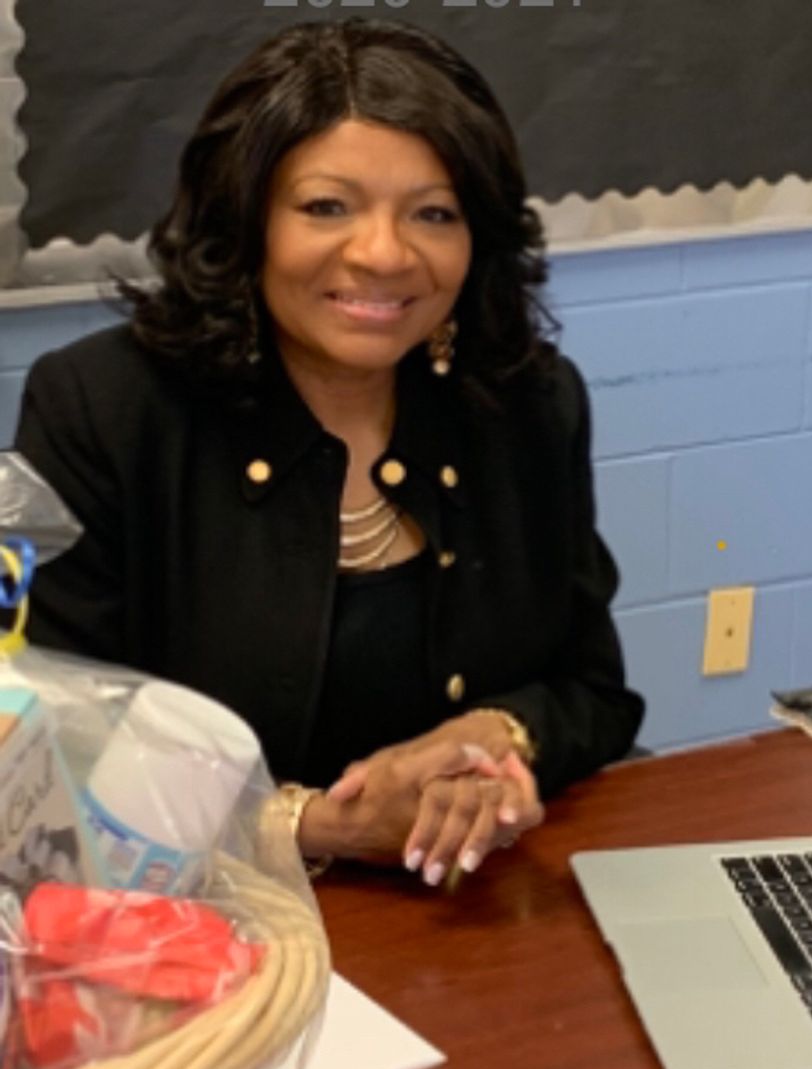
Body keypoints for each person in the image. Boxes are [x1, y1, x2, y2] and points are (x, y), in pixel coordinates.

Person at [14, 19, 643, 887]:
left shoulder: (529, 404)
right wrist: (317, 825)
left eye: (434, 212)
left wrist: (495, 738)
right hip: (191, 934)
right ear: (246, 223)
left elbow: (595, 693)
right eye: (326, 206)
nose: (383, 253)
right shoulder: (104, 410)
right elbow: (49, 757)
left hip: (466, 918)